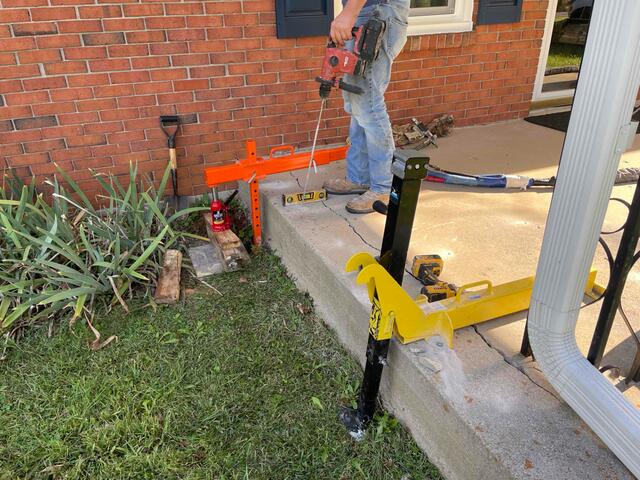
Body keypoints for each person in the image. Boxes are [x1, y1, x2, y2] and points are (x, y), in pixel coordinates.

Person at [323, 0, 410, 213]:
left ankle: (383, 187)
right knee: (357, 103)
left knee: (369, 105)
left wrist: (348, 14)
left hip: (377, 12)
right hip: (366, 13)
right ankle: (359, 177)